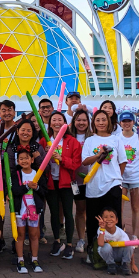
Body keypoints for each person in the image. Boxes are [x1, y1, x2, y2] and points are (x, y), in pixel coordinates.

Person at [82, 109, 127, 268]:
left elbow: (122, 161)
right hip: (94, 186)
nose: (101, 122)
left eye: (104, 119)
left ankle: (119, 253)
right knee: (94, 221)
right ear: (93, 123)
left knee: (115, 219)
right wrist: (98, 155)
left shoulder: (116, 140)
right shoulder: (89, 141)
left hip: (113, 184)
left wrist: (117, 177)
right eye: (98, 120)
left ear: (109, 122)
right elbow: (85, 162)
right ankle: (93, 252)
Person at [42, 111, 80, 259]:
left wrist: (61, 158)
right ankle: (57, 241)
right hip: (51, 182)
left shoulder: (72, 141)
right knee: (53, 212)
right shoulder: (45, 141)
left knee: (68, 212)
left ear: (65, 123)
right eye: (54, 120)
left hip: (66, 183)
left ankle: (69, 244)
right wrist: (44, 154)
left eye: (60, 119)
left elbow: (76, 164)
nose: (57, 122)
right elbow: (38, 163)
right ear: (50, 123)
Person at [11, 147, 47, 274]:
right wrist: (26, 186)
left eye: (26, 158)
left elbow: (44, 192)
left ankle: (35, 259)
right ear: (17, 161)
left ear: (32, 159)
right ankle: (20, 260)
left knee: (34, 235)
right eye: (21, 159)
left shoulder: (38, 173)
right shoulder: (16, 174)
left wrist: (36, 188)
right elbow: (14, 191)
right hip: (20, 210)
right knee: (20, 235)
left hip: (34, 209)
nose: (24, 161)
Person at [118, 112, 139, 242]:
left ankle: (135, 235)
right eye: (124, 121)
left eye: (129, 121)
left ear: (133, 122)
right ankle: (121, 231)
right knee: (119, 207)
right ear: (120, 123)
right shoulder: (116, 138)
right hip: (121, 178)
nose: (126, 123)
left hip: (137, 177)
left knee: (135, 207)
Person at [68, 109, 92, 253]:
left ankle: (92, 237)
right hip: (74, 181)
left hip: (92, 180)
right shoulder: (69, 138)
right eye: (78, 120)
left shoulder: (93, 137)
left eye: (84, 120)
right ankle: (81, 239)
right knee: (80, 209)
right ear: (73, 121)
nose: (81, 123)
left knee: (92, 209)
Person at [96, 207, 133, 276]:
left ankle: (125, 264)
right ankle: (111, 265)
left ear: (116, 220)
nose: (109, 219)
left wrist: (133, 264)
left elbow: (130, 248)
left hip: (118, 254)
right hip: (107, 255)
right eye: (105, 217)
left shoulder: (121, 233)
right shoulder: (101, 229)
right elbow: (100, 244)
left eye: (112, 217)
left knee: (129, 245)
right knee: (106, 246)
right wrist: (102, 230)